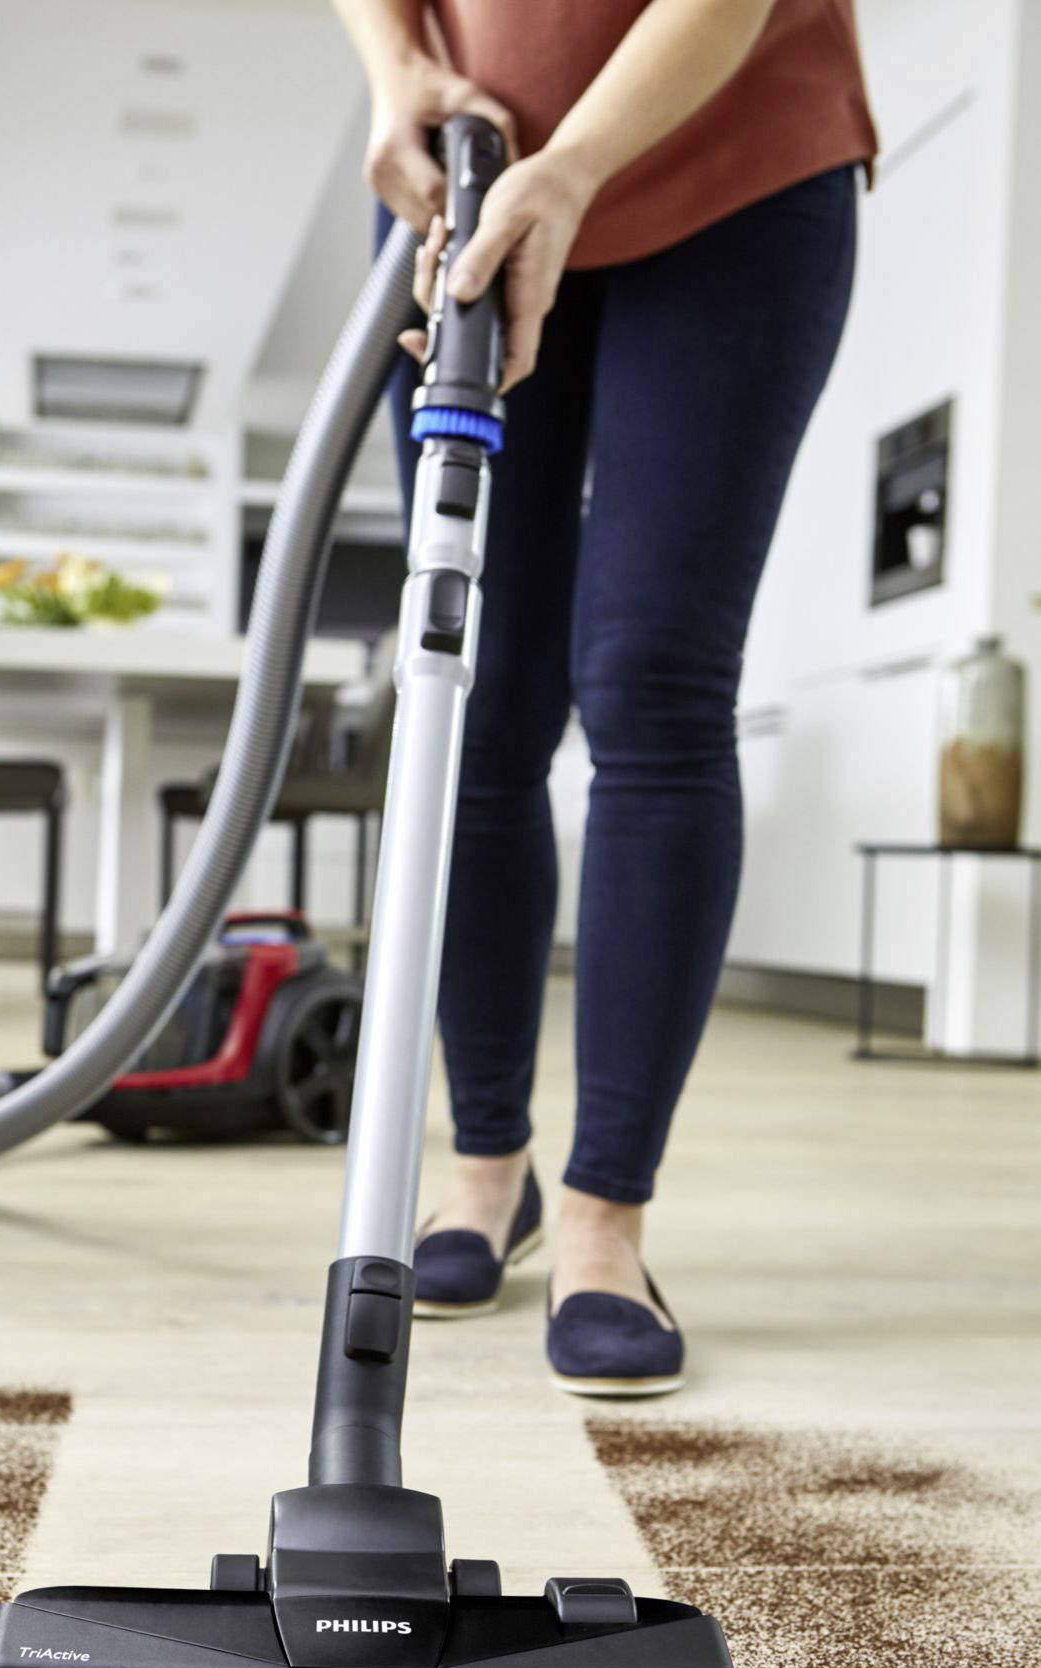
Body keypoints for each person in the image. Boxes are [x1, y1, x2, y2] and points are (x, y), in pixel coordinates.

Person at [332, 0, 877, 1394]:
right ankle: (483, 1171)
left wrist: (572, 170)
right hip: (466, 173)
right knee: (479, 694)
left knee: (650, 680)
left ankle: (601, 1222)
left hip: (732, 167)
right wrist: (395, 66)